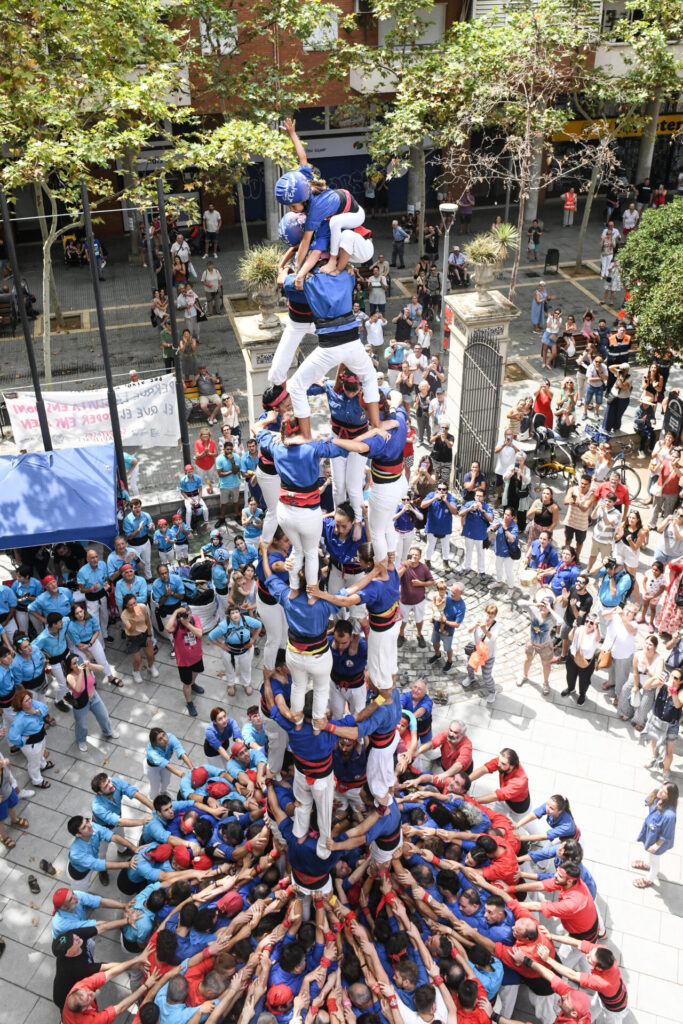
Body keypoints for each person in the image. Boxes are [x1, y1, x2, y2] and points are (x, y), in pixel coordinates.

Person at [208, 605, 262, 697]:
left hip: (246, 650)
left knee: (246, 668)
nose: (235, 615)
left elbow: (259, 626)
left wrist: (253, 639)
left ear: (240, 613)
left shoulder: (246, 620)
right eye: (232, 613)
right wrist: (221, 645)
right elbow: (211, 636)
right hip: (230, 652)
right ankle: (231, 684)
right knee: (230, 669)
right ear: (229, 615)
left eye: (237, 612)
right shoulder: (224, 625)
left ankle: (246, 684)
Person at [632, 782, 678, 888]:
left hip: (658, 842)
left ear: (670, 796)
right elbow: (647, 802)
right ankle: (647, 864)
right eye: (662, 787)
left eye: (664, 792)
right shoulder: (657, 796)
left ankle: (649, 878)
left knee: (655, 861)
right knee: (650, 854)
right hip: (650, 834)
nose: (660, 791)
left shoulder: (669, 816)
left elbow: (666, 835)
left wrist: (656, 846)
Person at [518, 589, 564, 695]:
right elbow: (520, 603)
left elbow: (560, 621)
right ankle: (524, 675)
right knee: (527, 659)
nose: (543, 607)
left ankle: (545, 683)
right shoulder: (535, 611)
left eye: (546, 606)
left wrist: (550, 610)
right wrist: (535, 603)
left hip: (545, 646)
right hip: (532, 642)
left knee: (546, 664)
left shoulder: (552, 618)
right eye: (542, 605)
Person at [8, 687, 53, 789]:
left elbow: (45, 708)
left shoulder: (33, 704)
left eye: (29, 698)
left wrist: (35, 711)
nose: (30, 701)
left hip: (40, 736)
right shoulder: (20, 719)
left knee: (41, 752)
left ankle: (43, 764)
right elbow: (12, 736)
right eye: (26, 701)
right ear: (21, 704)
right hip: (32, 744)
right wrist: (23, 740)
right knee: (33, 763)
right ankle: (37, 780)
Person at [165, 604, 205, 717]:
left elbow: (199, 634)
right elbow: (168, 628)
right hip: (183, 661)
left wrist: (187, 624)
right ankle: (189, 702)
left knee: (196, 671)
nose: (187, 617)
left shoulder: (195, 619)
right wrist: (175, 612)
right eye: (184, 615)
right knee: (186, 683)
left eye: (188, 614)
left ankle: (193, 684)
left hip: (196, 656)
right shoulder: (176, 623)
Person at [562, 613, 601, 706]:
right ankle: (570, 688)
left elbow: (597, 638)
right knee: (570, 676)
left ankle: (582, 695)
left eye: (591, 623)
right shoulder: (580, 629)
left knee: (584, 681)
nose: (588, 624)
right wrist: (574, 628)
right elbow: (570, 637)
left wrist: (596, 627)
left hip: (586, 662)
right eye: (587, 621)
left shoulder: (596, 634)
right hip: (573, 657)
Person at [464, 602, 500, 705]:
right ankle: (471, 678)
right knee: (469, 667)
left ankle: (492, 691)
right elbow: (469, 630)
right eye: (487, 615)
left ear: (494, 617)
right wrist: (475, 625)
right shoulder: (478, 619)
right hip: (476, 652)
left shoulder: (497, 626)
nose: (488, 618)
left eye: (491, 616)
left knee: (486, 676)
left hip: (488, 655)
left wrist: (484, 628)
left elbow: (492, 639)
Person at [120, 593, 157, 685]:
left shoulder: (142, 607)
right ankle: (135, 671)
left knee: (151, 656)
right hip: (133, 638)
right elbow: (131, 630)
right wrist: (135, 620)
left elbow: (148, 621)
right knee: (138, 660)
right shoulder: (124, 615)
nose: (134, 606)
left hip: (144, 634)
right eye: (131, 605)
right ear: (126, 606)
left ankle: (151, 666)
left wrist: (149, 636)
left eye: (135, 603)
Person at [421, 482, 458, 568]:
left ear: (447, 491)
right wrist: (433, 498)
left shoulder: (450, 497)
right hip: (432, 526)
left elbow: (455, 511)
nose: (441, 491)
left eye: (444, 489)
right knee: (430, 545)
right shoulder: (432, 495)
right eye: (439, 489)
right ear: (437, 490)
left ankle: (445, 561)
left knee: (445, 546)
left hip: (445, 527)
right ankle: (427, 561)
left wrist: (446, 501)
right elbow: (422, 505)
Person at [459, 487, 494, 575]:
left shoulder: (486, 506)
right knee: (468, 551)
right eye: (477, 496)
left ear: (484, 498)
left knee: (481, 554)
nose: (478, 498)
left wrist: (482, 510)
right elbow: (460, 513)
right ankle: (465, 567)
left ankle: (481, 571)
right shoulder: (469, 504)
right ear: (474, 497)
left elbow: (491, 519)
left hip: (481, 535)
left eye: (480, 496)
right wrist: (469, 509)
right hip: (469, 534)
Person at [122, 498, 154, 581]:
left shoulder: (146, 515)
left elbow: (152, 531)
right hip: (133, 545)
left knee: (147, 562)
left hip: (145, 542)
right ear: (131, 508)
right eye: (135, 507)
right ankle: (134, 582)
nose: (137, 509)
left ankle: (149, 579)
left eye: (139, 507)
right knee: (133, 565)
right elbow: (129, 536)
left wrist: (151, 528)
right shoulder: (127, 520)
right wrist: (138, 530)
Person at [488, 507, 520, 587]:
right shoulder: (500, 521)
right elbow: (488, 531)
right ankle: (498, 582)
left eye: (508, 515)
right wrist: (494, 527)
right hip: (499, 551)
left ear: (512, 517)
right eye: (505, 514)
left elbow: (512, 539)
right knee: (498, 568)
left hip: (508, 553)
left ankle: (511, 588)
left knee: (508, 572)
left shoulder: (514, 527)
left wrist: (505, 529)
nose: (505, 516)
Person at [194, 428, 218, 493]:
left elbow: (216, 454)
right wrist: (204, 453)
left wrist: (209, 454)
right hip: (200, 466)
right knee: (200, 480)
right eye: (203, 434)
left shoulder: (212, 442)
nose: (205, 436)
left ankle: (211, 490)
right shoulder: (197, 442)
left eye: (207, 434)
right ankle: (202, 493)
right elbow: (197, 456)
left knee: (211, 479)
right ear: (200, 435)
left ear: (209, 435)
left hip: (210, 465)